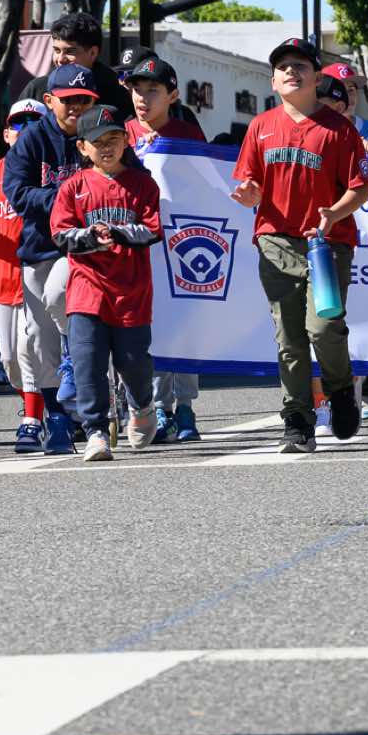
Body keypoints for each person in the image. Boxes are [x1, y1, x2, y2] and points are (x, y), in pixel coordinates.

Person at [230, 36, 368, 454]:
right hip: (275, 241)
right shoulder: (261, 127)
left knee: (324, 327)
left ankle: (340, 390)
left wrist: (334, 213)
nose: (291, 72)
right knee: (289, 338)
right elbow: (250, 183)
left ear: (316, 78)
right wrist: (249, 195)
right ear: (273, 81)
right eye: (283, 67)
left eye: (301, 66)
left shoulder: (338, 129)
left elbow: (361, 187)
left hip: (327, 244)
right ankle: (297, 420)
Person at [51, 104, 164, 460]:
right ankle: (95, 430)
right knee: (87, 361)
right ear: (82, 147)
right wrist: (89, 236)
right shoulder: (73, 187)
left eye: (114, 138)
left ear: (126, 142)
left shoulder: (142, 184)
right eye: (97, 141)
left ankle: (142, 405)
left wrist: (117, 232)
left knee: (133, 361)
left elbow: (152, 230)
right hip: (87, 288)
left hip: (131, 290)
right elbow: (60, 233)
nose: (106, 147)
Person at [4, 65, 101, 455]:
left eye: (84, 100)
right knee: (38, 341)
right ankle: (59, 419)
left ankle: (82, 380)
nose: (76, 106)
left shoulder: (100, 132)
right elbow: (17, 193)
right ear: (49, 101)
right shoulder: (32, 139)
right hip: (39, 248)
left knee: (60, 298)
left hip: (83, 249)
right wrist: (67, 197)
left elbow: (122, 175)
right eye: (68, 99)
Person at [121, 55, 204, 444]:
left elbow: (207, 187)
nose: (143, 98)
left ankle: (185, 406)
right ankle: (156, 407)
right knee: (148, 329)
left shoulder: (188, 134)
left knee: (184, 325)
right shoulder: (119, 134)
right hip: (138, 247)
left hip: (184, 245)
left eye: (152, 90)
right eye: (137, 90)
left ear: (172, 95)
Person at [0, 100, 39, 450]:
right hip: (3, 281)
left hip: (41, 276)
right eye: (18, 124)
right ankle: (36, 404)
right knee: (9, 360)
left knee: (32, 352)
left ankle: (33, 419)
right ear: (6, 134)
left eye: (34, 122)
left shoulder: (50, 170)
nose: (25, 129)